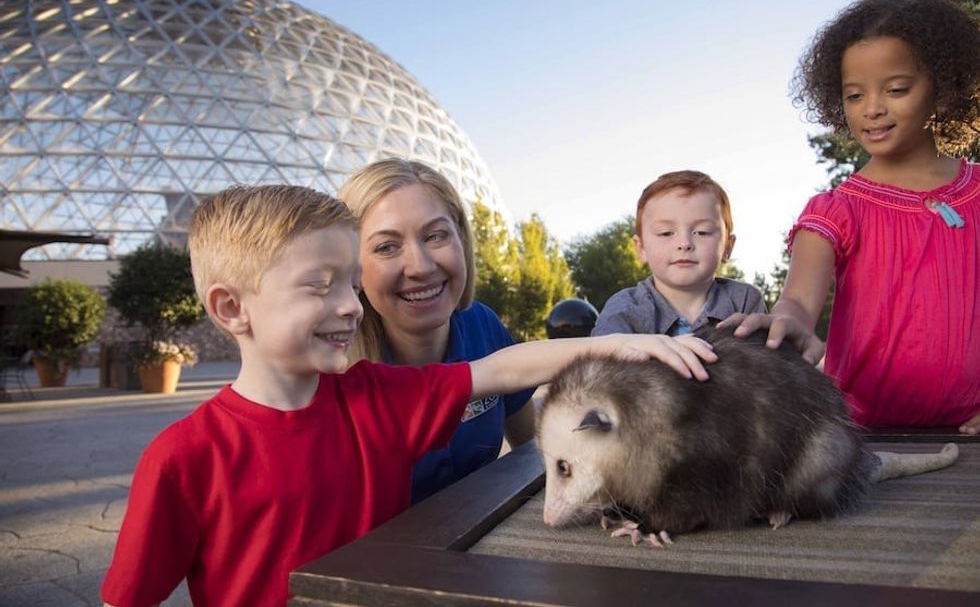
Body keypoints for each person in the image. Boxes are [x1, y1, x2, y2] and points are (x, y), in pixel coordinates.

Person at [100, 184, 716, 607]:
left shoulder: (377, 398)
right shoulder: (182, 457)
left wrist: (621, 348)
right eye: (320, 286)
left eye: (349, 282)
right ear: (232, 308)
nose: (348, 304)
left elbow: (499, 370)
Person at [721, 0, 980, 432]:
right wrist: (785, 325)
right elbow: (799, 301)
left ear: (944, 87)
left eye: (896, 89)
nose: (872, 108)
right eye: (854, 95)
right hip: (861, 439)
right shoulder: (837, 210)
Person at [339, 159, 536, 503]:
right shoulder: (331, 370)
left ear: (461, 239)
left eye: (435, 236)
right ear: (352, 266)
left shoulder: (483, 325)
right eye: (387, 246)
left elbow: (532, 454)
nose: (421, 266)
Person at [592, 170, 766, 337]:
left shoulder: (744, 300)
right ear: (641, 248)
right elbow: (601, 361)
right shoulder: (624, 307)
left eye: (702, 232)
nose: (684, 244)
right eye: (666, 233)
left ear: (728, 247)